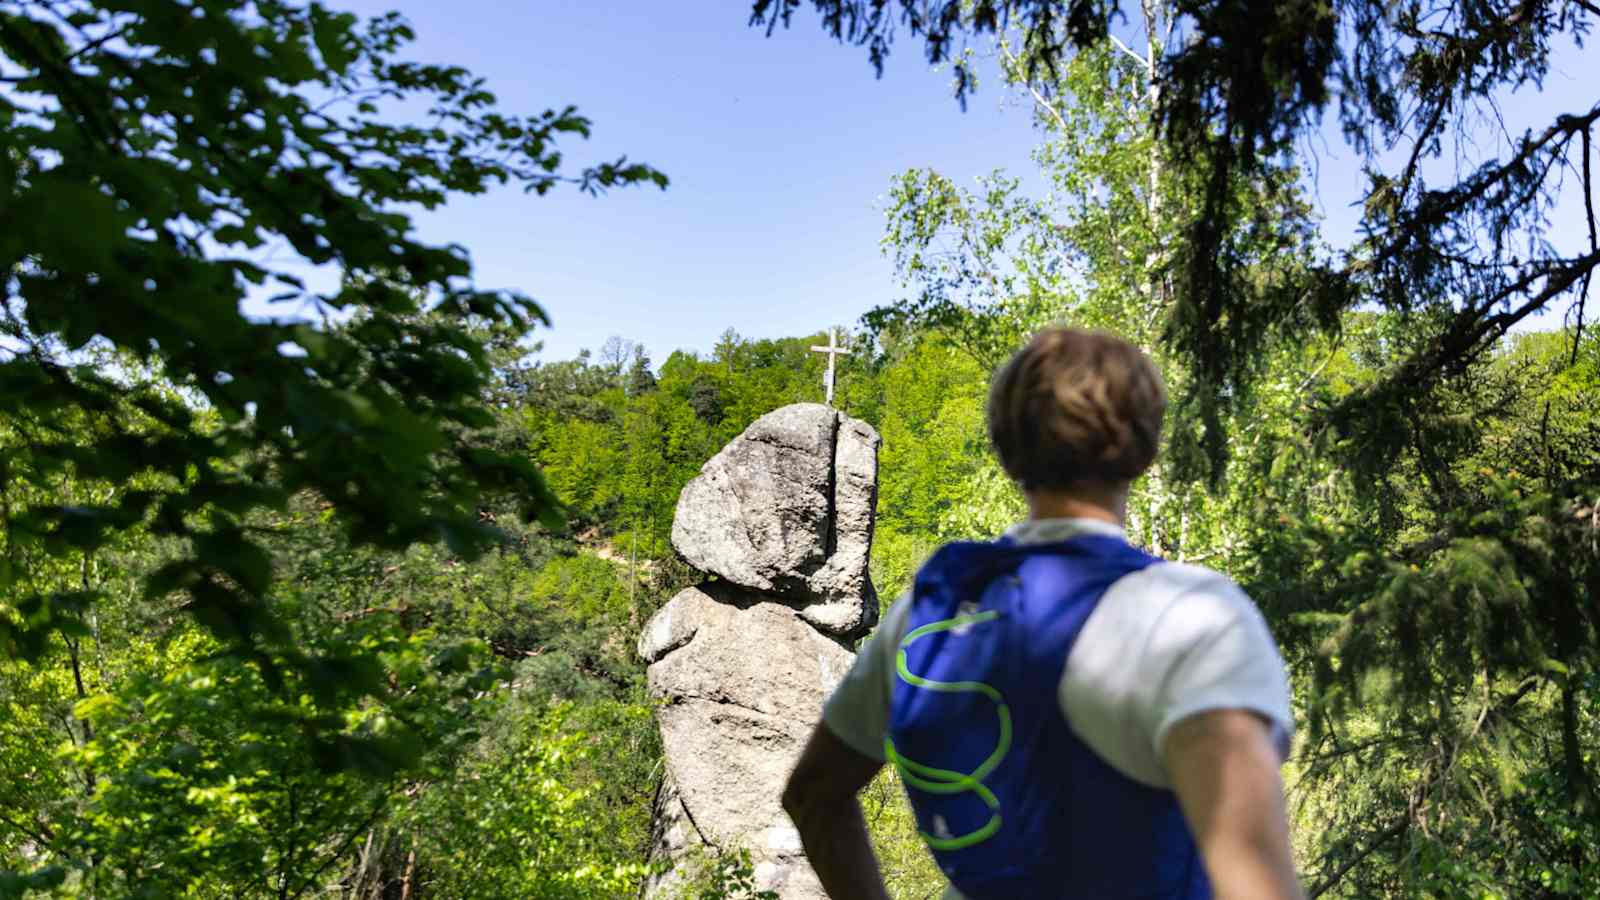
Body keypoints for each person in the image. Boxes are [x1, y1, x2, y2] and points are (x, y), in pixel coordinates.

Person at [781, 327, 1304, 900]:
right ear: (1147, 449)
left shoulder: (925, 614)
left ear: (1006, 449)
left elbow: (813, 797)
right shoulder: (1191, 616)